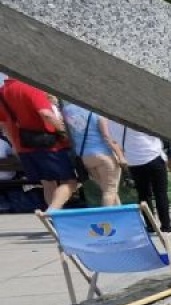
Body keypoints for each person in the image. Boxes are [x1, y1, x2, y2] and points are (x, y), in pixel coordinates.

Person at [0, 74, 75, 211]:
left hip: (23, 146)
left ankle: (54, 219)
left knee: (47, 183)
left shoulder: (2, 91)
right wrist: (64, 132)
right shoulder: (31, 86)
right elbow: (46, 114)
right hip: (49, 145)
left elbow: (4, 123)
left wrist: (15, 144)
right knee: (70, 181)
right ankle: (52, 212)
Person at [115, 121, 171, 233]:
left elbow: (114, 140)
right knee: (160, 193)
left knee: (143, 194)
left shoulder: (112, 122)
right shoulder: (141, 117)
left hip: (133, 160)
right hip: (153, 155)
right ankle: (166, 225)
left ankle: (150, 225)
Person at [61, 102, 126, 206]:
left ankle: (119, 218)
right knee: (110, 191)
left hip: (84, 156)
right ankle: (107, 220)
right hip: (103, 154)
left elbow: (69, 131)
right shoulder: (97, 110)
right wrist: (120, 156)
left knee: (107, 190)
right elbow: (107, 136)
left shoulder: (67, 110)